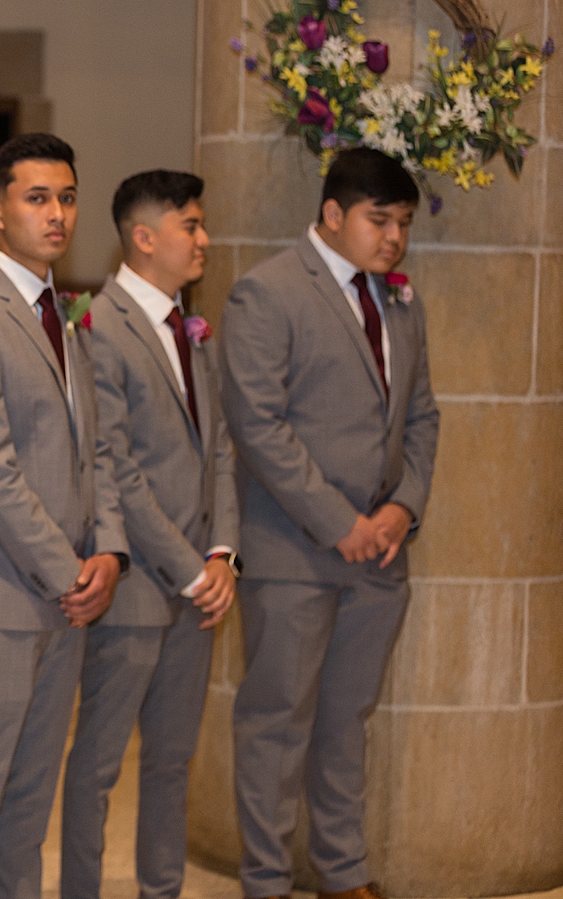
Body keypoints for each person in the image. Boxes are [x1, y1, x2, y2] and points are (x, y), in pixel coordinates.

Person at [221, 147, 439, 899]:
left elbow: (420, 416)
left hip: (381, 554)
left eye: (404, 224)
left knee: (347, 722)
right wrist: (339, 520)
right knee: (277, 725)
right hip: (295, 551)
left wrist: (400, 508)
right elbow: (258, 425)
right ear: (333, 214)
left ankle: (344, 876)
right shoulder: (268, 292)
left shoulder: (400, 303)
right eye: (380, 221)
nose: (394, 240)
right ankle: (268, 881)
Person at [0, 133, 128, 899]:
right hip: (2, 592)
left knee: (30, 796)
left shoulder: (60, 311)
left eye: (67, 197)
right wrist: (66, 566)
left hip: (69, 592)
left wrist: (108, 551)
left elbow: (93, 449)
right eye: (37, 197)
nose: (57, 213)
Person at [59, 170, 239, 899]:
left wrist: (223, 552)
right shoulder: (100, 326)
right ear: (143, 236)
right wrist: (188, 566)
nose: (203, 239)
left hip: (199, 581)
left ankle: (160, 890)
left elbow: (219, 447)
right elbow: (115, 468)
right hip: (137, 582)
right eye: (190, 226)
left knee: (171, 759)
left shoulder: (191, 329)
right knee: (99, 763)